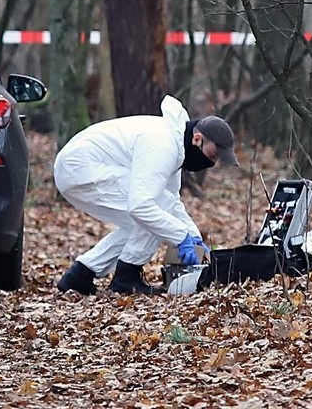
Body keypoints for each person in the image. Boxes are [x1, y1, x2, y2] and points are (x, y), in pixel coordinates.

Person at [54, 95, 239, 295]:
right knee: (150, 212)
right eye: (213, 155)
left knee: (148, 219)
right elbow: (142, 206)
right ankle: (127, 277)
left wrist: (194, 237)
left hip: (77, 169)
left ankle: (80, 274)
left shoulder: (176, 149)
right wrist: (181, 236)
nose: (213, 162)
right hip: (81, 167)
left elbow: (172, 201)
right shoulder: (163, 144)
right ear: (197, 139)